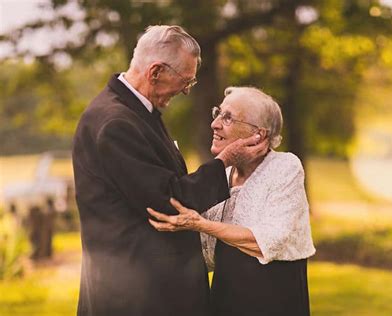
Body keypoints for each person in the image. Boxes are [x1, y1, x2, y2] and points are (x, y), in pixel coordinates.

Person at [72, 26, 268, 316]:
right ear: (156, 72)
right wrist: (226, 160)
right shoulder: (115, 124)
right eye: (185, 81)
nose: (188, 90)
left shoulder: (136, 112)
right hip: (137, 295)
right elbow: (168, 202)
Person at [148, 86, 316, 316]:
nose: (215, 124)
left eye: (228, 117)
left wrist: (201, 224)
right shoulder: (223, 176)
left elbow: (268, 242)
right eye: (217, 113)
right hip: (225, 300)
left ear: (259, 134)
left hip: (274, 301)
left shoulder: (285, 167)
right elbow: (200, 246)